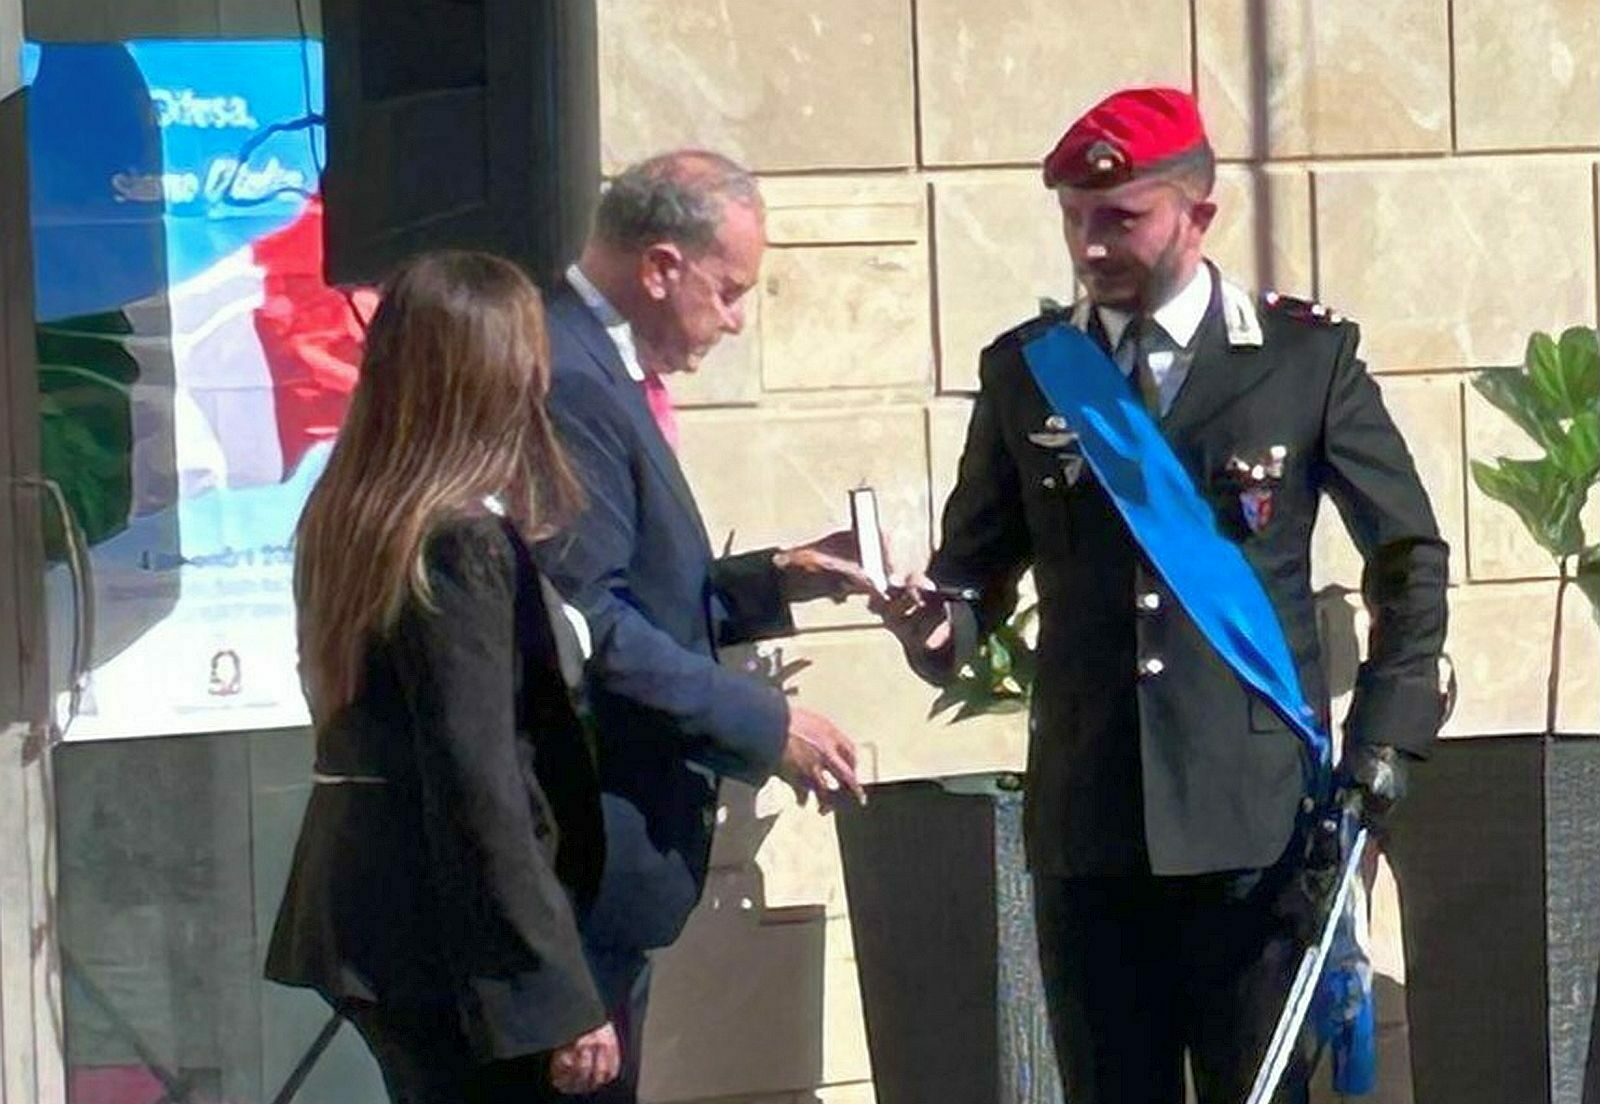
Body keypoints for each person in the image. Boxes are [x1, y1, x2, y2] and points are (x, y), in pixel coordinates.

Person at [879, 88, 1449, 1104]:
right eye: (1072, 219)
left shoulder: (1302, 361)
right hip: (1090, 827)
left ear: (1198, 214)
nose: (1088, 245)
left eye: (1119, 218)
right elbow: (973, 572)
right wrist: (934, 622)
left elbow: (1406, 556)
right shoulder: (1030, 371)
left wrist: (1386, 738)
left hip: (1253, 824)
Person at [533, 149, 873, 1102]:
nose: (733, 320)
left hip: (614, 864)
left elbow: (644, 594)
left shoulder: (603, 366)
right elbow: (588, 624)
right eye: (728, 293)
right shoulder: (570, 377)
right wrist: (771, 727)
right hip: (580, 852)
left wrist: (782, 579)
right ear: (660, 267)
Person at [266, 250, 620, 1101]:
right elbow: (479, 780)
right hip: (450, 946)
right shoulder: (457, 541)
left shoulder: (355, 515)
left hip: (374, 920)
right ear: (495, 376)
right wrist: (559, 995)